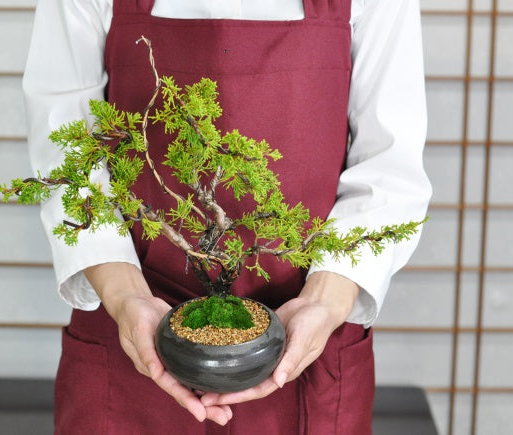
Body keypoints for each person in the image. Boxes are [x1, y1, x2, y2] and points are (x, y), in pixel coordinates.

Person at [23, 0, 431, 433]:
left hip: (307, 334)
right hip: (130, 325)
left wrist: (325, 299)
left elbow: (389, 164)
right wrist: (125, 296)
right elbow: (65, 140)